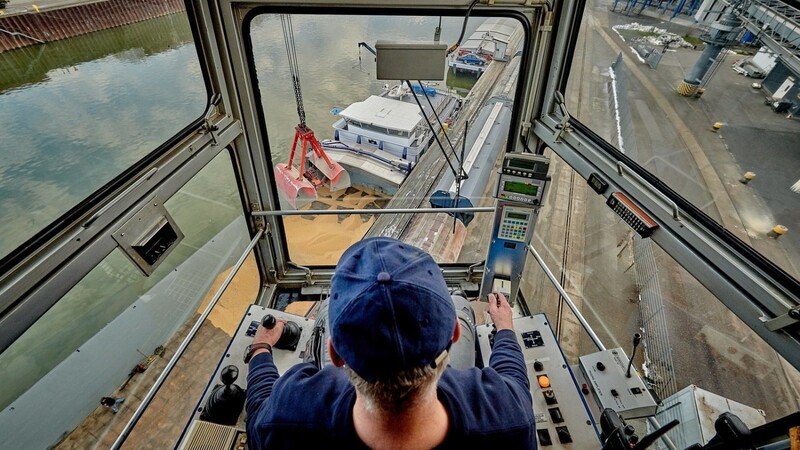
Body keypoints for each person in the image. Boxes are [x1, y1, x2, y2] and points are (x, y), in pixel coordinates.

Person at [245, 237, 535, 449]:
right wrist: (505, 329)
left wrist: (260, 350)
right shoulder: (507, 419)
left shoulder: (290, 414)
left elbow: (259, 412)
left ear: (334, 354)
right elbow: (514, 380)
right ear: (456, 333)